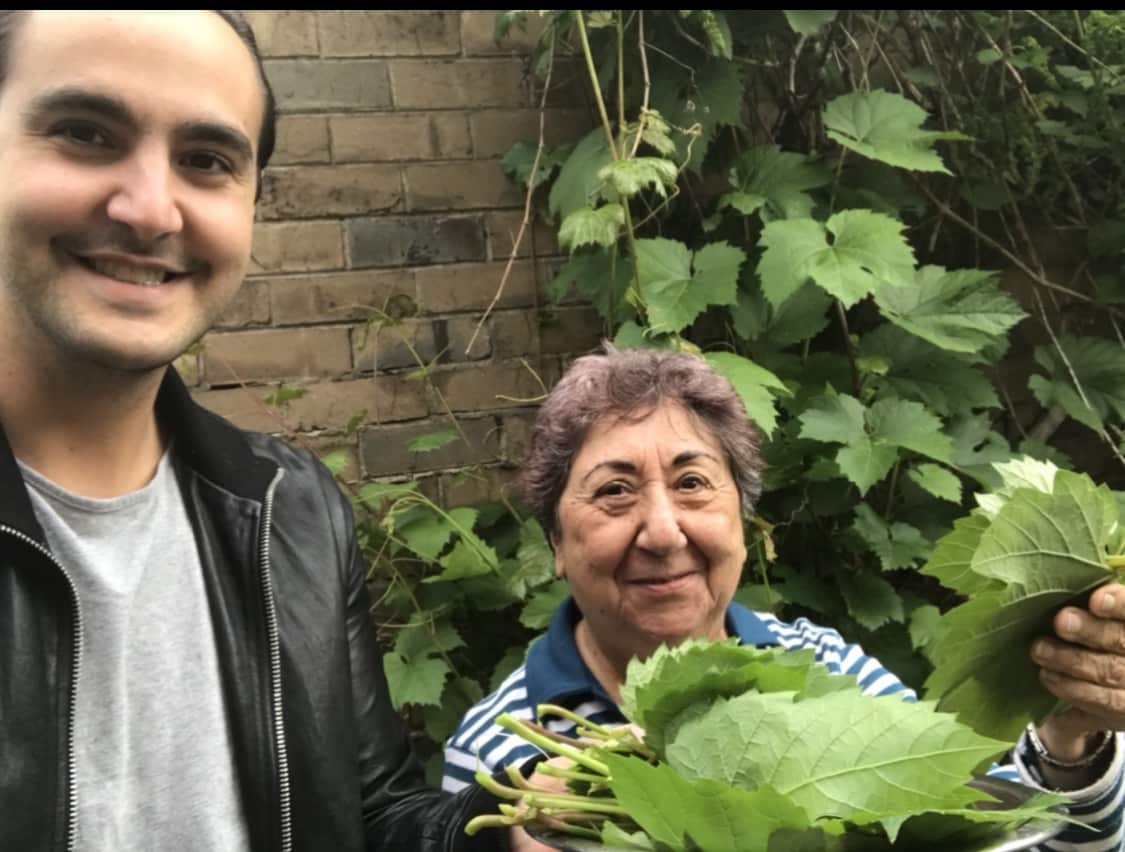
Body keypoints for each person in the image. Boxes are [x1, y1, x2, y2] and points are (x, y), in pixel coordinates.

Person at [0, 11, 540, 852]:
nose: (150, 210)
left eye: (206, 161)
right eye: (85, 133)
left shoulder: (292, 509)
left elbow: (363, 814)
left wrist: (501, 837)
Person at [444, 347, 1125, 850]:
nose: (661, 530)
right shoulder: (498, 751)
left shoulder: (828, 671)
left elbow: (981, 820)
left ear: (740, 521)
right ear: (556, 544)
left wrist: (1070, 737)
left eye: (692, 482)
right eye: (614, 491)